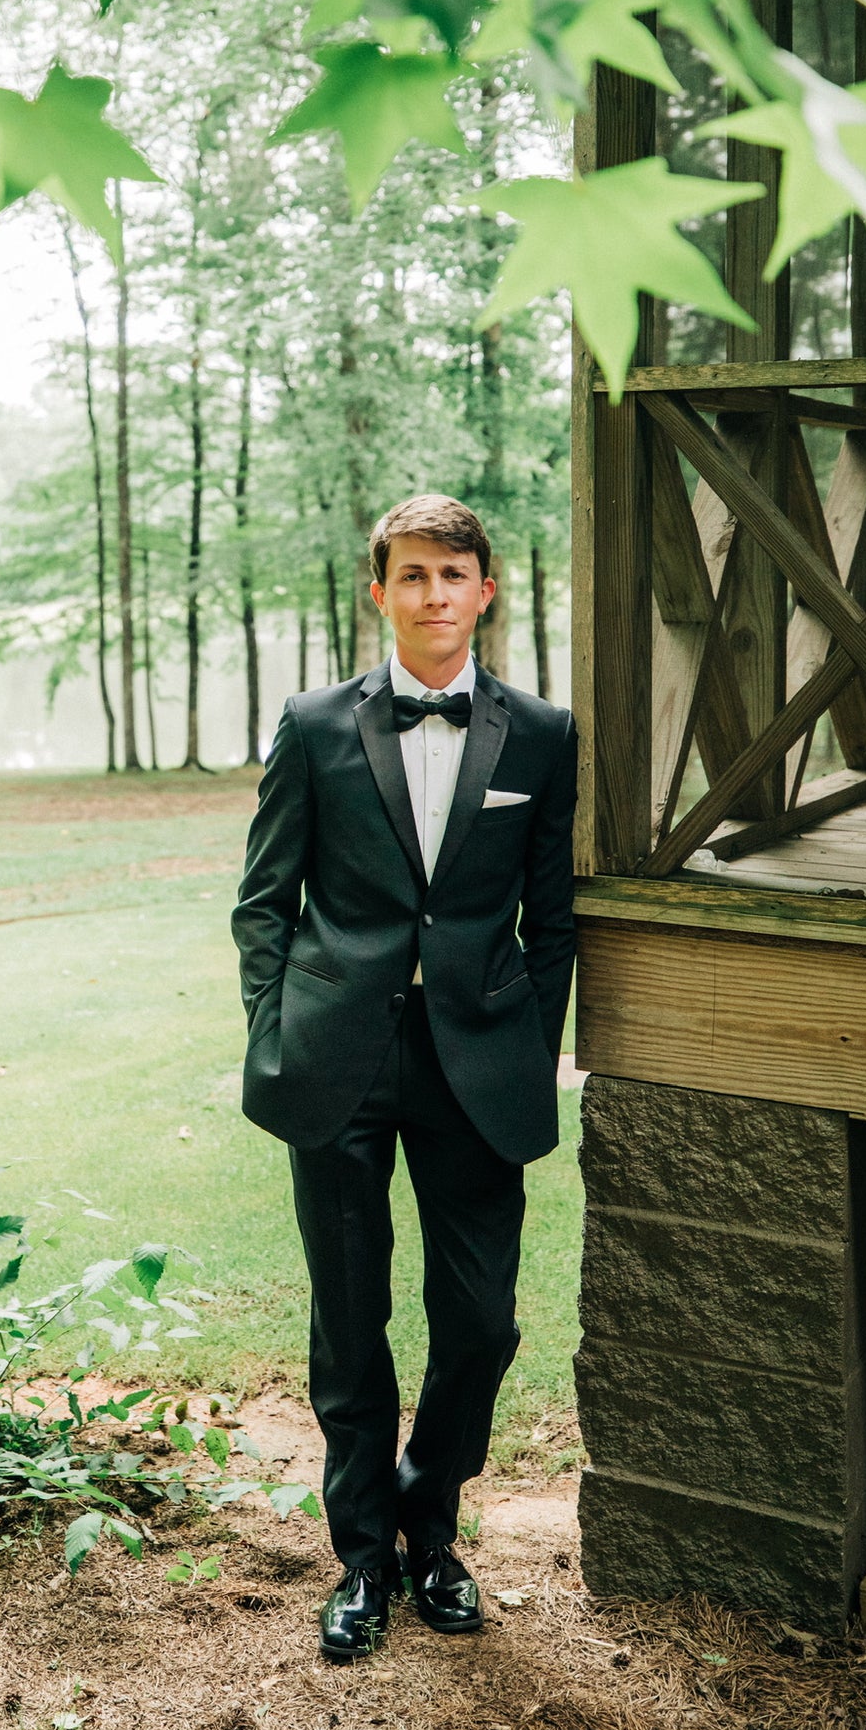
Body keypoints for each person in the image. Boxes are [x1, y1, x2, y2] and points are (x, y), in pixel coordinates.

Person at [232, 492, 577, 1662]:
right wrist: (272, 1032)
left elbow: (555, 918)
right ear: (380, 591)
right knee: (350, 1315)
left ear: (487, 590)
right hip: (337, 1060)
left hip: (480, 1065)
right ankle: (367, 1556)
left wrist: (533, 1042)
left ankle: (437, 1525)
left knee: (478, 1321)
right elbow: (263, 903)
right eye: (413, 575)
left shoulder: (541, 734)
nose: (435, 594)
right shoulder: (316, 723)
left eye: (455, 574)